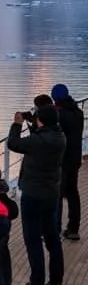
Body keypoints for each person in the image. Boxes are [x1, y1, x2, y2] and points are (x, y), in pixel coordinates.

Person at [8, 105, 66, 285]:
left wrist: (17, 124)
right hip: (51, 194)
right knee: (52, 238)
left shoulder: (38, 141)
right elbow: (40, 138)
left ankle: (37, 284)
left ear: (41, 120)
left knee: (32, 239)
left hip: (33, 195)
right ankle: (56, 282)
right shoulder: (60, 137)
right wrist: (34, 124)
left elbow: (14, 144)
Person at [51, 84, 84, 241]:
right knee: (73, 193)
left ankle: (55, 229)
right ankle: (73, 228)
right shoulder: (78, 113)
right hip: (75, 159)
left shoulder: (59, 115)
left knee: (57, 195)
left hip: (61, 160)